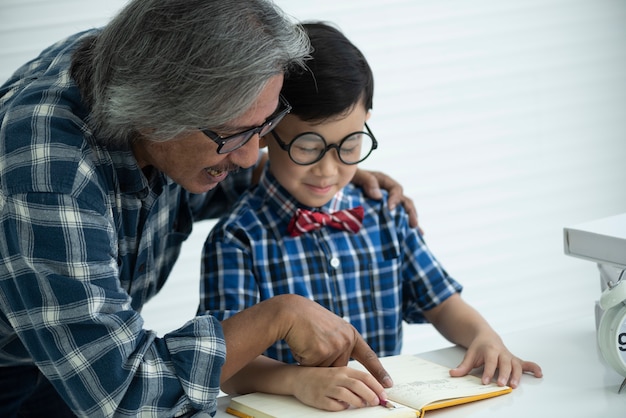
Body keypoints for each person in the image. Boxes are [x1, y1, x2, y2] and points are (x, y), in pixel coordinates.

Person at [0, 2, 420, 417]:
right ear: (152, 116)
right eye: (235, 135)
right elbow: (126, 394)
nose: (252, 157)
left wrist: (316, 171)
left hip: (86, 357)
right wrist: (276, 317)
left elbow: (225, 169)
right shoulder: (52, 175)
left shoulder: (140, 61)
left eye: (266, 126)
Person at [200, 21, 543, 411]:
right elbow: (224, 365)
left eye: (349, 144)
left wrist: (484, 336)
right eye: (308, 146)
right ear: (264, 132)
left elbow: (442, 302)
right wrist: (298, 380)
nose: (328, 170)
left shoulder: (385, 214)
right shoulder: (237, 238)